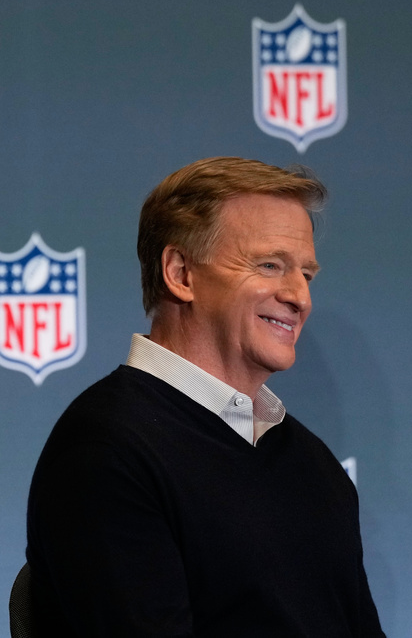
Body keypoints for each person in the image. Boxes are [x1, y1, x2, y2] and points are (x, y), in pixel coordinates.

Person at [25, 157, 386, 636]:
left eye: (307, 274)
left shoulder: (313, 465)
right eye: (269, 265)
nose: (300, 296)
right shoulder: (107, 448)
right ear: (181, 273)